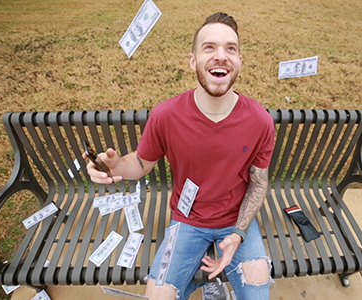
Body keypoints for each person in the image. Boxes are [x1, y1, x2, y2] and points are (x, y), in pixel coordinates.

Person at [84, 12, 275, 300]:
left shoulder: (260, 120)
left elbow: (259, 182)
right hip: (186, 221)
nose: (221, 56)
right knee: (158, 294)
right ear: (192, 60)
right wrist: (114, 166)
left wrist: (238, 234)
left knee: (258, 289)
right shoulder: (167, 115)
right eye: (209, 47)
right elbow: (140, 163)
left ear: (239, 62)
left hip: (235, 220)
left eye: (230, 49)